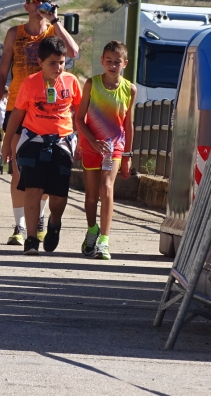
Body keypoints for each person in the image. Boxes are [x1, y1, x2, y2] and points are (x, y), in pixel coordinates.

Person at [0, 0, 79, 246]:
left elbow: (73, 53)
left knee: (46, 171)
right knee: (19, 169)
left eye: (45, 1)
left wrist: (56, 21)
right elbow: (2, 74)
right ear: (26, 6)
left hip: (48, 114)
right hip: (18, 105)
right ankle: (19, 225)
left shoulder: (53, 33)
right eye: (34, 0)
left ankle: (38, 220)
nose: (39, 4)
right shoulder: (15, 34)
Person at [2, 37, 81, 256]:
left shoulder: (71, 82)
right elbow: (17, 113)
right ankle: (31, 239)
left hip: (62, 140)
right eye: (53, 63)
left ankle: (54, 224)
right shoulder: (30, 83)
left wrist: (82, 141)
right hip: (33, 140)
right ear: (40, 62)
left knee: (58, 195)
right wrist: (7, 143)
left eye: (62, 62)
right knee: (32, 189)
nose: (58, 68)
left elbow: (81, 113)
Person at [75, 41, 136, 260]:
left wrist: (127, 156)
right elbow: (79, 119)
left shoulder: (130, 89)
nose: (112, 65)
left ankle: (104, 241)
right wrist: (89, 141)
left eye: (117, 62)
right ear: (102, 61)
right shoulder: (92, 84)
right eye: (108, 61)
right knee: (91, 197)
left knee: (107, 188)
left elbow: (128, 125)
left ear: (124, 64)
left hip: (114, 148)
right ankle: (92, 231)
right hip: (92, 146)